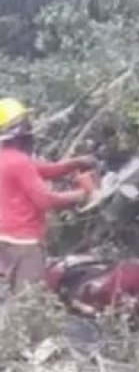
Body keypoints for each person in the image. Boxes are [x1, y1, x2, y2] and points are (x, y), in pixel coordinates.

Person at [0, 98, 97, 293]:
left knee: (7, 292)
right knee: (26, 299)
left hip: (4, 237)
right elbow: (45, 200)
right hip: (22, 242)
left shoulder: (8, 158)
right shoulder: (19, 161)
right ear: (20, 128)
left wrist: (76, 163)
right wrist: (81, 195)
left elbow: (45, 170)